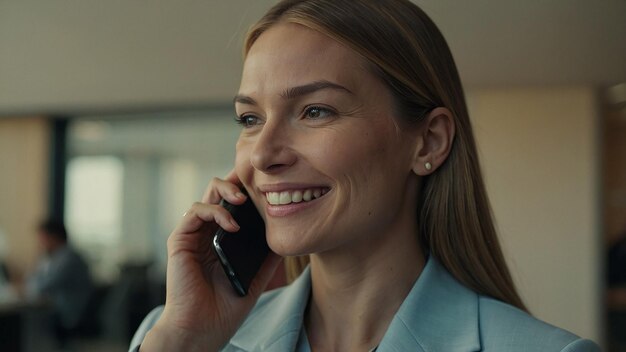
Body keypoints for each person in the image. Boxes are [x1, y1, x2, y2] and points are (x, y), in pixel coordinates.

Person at [130, 0, 600, 351]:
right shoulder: (172, 334)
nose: (262, 156)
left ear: (429, 141)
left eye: (314, 111)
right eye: (250, 119)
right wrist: (184, 341)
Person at [26, 219, 93, 346]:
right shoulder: (55, 257)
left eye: (42, 239)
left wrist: (32, 281)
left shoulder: (68, 259)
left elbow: (44, 286)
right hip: (61, 310)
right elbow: (36, 280)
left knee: (29, 322)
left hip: (69, 315)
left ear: (54, 237)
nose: (40, 243)